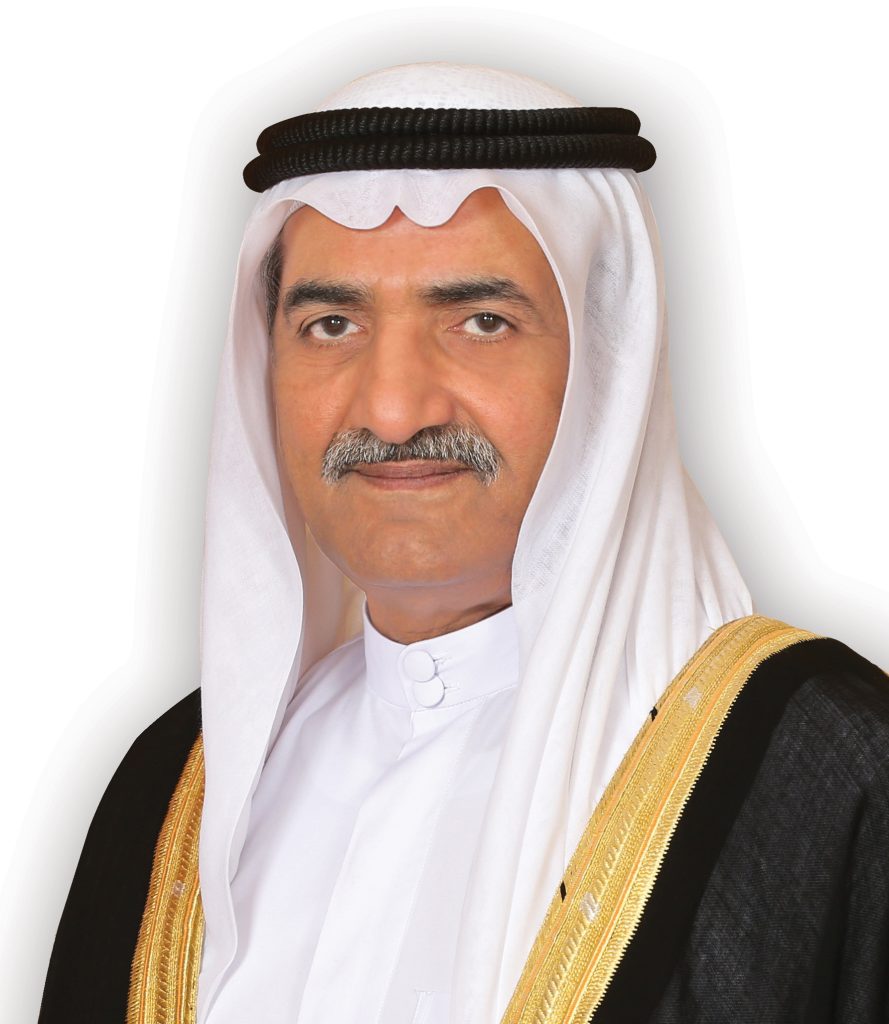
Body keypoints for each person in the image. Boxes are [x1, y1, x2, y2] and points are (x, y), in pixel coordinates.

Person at [39, 62, 888, 1024]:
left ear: (607, 370)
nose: (393, 409)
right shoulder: (171, 787)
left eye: (482, 322)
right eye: (330, 324)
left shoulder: (822, 770)